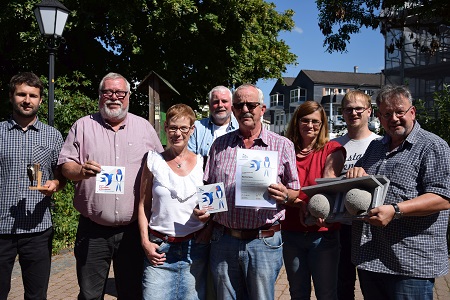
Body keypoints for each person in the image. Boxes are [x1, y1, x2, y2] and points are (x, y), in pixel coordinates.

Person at [58, 72, 164, 300]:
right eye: (108, 92)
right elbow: (66, 165)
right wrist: (80, 171)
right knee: (89, 294)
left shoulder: (144, 128)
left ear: (127, 96)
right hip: (93, 230)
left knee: (131, 292)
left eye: (119, 93)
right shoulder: (83, 126)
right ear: (99, 95)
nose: (113, 97)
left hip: (132, 231)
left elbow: (162, 168)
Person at [346, 85, 450, 300]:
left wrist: (395, 210)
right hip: (371, 257)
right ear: (380, 117)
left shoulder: (433, 146)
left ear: (412, 112)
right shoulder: (375, 147)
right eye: (387, 114)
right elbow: (364, 183)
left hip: (410, 263)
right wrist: (357, 172)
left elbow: (442, 198)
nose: (393, 118)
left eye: (399, 111)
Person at [202, 84, 300, 300]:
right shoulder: (219, 145)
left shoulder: (283, 145)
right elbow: (209, 187)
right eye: (239, 105)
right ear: (233, 110)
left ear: (262, 109)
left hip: (263, 241)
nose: (245, 109)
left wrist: (285, 195)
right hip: (224, 239)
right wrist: (204, 211)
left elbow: (295, 193)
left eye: (251, 104)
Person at [0, 72, 66, 300]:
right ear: (12, 96)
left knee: (36, 295)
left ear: (40, 99)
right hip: (1, 228)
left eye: (33, 95)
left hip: (37, 229)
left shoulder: (53, 136)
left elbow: (62, 175)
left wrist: (56, 184)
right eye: (22, 94)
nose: (27, 100)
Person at [139, 104, 208, 300]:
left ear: (192, 130)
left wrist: (208, 221)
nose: (178, 133)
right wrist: (145, 242)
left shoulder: (203, 162)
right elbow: (143, 204)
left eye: (183, 128)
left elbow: (212, 205)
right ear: (166, 128)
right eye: (173, 128)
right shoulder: (152, 161)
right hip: (159, 250)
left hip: (194, 250)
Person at [282, 101, 345, 300]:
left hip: (322, 234)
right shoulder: (285, 149)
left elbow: (328, 184)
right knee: (297, 292)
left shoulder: (332, 149)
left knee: (326, 293)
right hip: (291, 233)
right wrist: (299, 203)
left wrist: (320, 208)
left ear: (323, 124)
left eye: (316, 122)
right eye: (305, 120)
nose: (310, 126)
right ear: (297, 122)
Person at [332, 90, 380, 300]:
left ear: (369, 111)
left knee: (373, 286)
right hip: (341, 226)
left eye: (359, 108)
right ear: (342, 113)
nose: (354, 113)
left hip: (372, 227)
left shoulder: (381, 144)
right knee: (342, 286)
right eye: (349, 109)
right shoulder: (334, 145)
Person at [188, 85, 238, 165]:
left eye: (224, 101)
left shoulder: (240, 128)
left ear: (232, 105)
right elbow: (189, 158)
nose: (220, 105)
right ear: (209, 105)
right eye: (215, 102)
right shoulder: (197, 127)